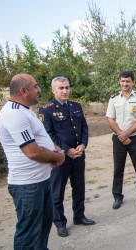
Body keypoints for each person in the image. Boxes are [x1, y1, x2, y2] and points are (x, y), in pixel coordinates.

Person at [0, 74, 65, 249]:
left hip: (40, 180)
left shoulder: (24, 110)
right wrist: (59, 157)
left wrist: (54, 148)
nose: (39, 89)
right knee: (28, 234)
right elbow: (32, 152)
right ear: (23, 90)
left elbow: (40, 138)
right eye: (35, 86)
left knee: (42, 227)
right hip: (27, 185)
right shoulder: (13, 114)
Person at [39, 77, 95, 237]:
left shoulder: (76, 106)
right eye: (61, 88)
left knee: (79, 188)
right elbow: (48, 135)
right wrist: (67, 150)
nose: (65, 91)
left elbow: (84, 127)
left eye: (67, 87)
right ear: (53, 91)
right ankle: (60, 223)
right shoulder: (46, 109)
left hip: (78, 155)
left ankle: (79, 216)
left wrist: (83, 145)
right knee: (57, 192)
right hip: (60, 158)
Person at [106, 71, 136, 209]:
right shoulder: (114, 99)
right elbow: (110, 119)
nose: (125, 84)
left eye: (128, 81)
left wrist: (127, 134)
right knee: (118, 169)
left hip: (135, 138)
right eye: (122, 81)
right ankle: (117, 197)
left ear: (133, 82)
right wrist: (121, 134)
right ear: (120, 81)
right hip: (118, 139)